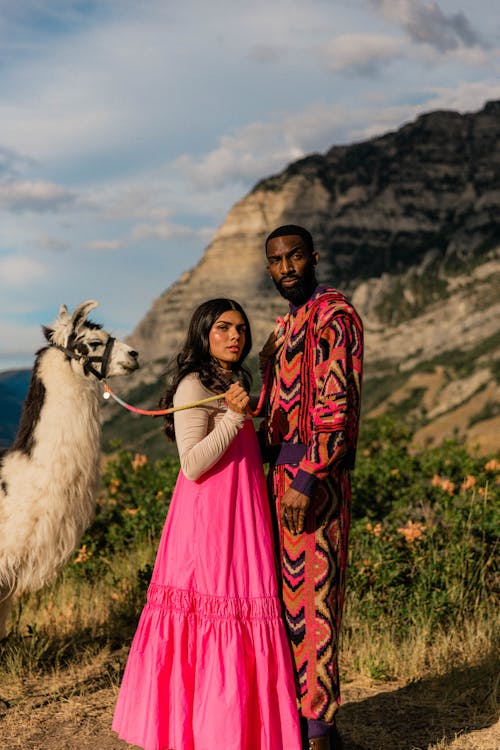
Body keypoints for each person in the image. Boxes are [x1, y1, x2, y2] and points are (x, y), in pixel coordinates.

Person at [112, 298, 302, 750]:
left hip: (242, 516)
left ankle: (241, 733)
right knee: (212, 616)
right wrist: (236, 416)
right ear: (203, 334)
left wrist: (266, 375)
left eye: (240, 328)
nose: (234, 335)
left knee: (243, 610)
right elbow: (193, 464)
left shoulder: (229, 381)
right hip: (208, 526)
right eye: (223, 328)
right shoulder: (194, 386)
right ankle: (205, 735)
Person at [258, 226, 363, 750]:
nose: (286, 268)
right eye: (276, 261)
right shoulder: (289, 324)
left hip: (312, 484)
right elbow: (277, 409)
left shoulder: (332, 316)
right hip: (280, 482)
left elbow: (335, 411)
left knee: (315, 606)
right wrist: (263, 366)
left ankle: (319, 732)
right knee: (286, 609)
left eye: (295, 256)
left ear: (314, 257)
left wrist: (305, 478)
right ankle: (303, 727)